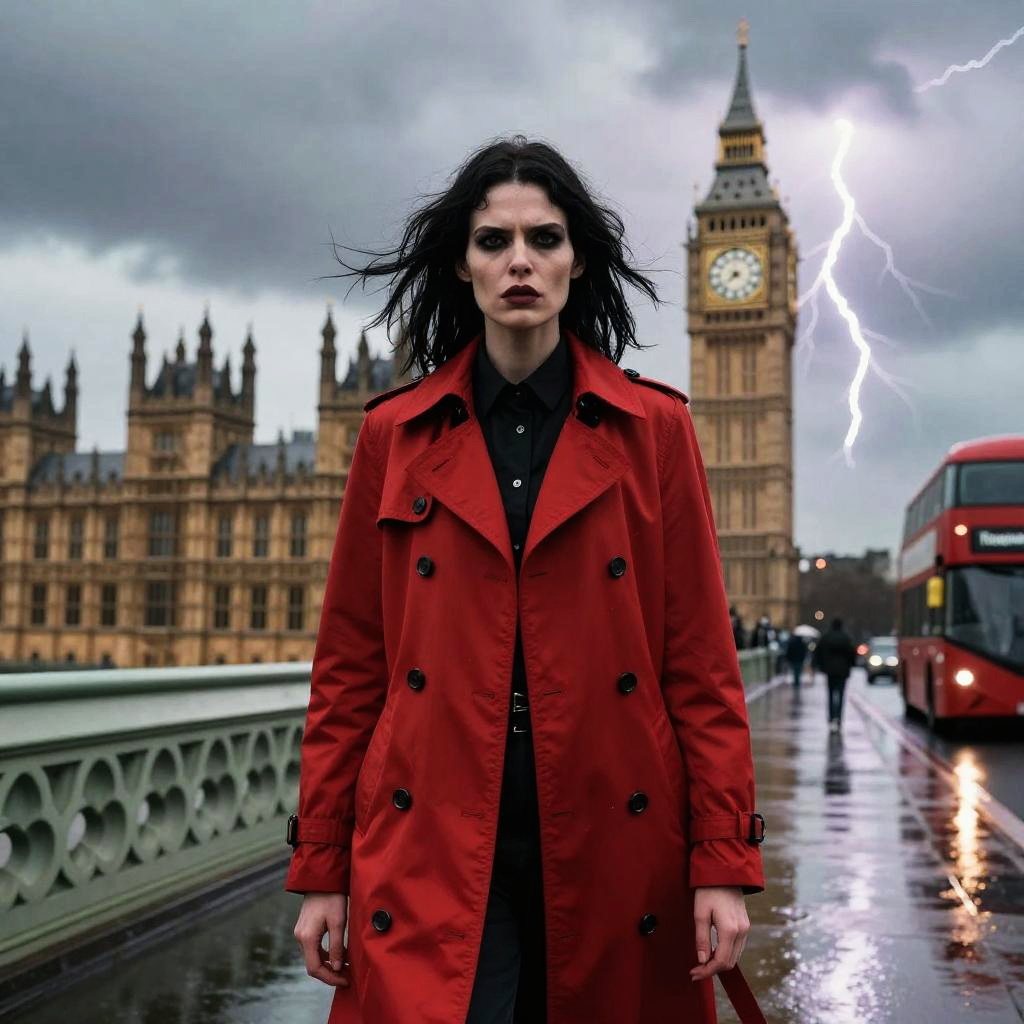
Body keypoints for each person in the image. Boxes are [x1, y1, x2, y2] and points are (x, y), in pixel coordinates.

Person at [285, 136, 766, 1024]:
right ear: (461, 264)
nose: (519, 262)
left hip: (609, 825)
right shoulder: (394, 435)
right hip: (431, 826)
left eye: (544, 240)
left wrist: (722, 862)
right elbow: (351, 670)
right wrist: (322, 866)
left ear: (577, 260)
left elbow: (700, 666)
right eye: (493, 241)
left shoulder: (653, 430)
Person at [814, 617, 857, 731]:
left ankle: (831, 716)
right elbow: (852, 654)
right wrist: (851, 665)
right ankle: (838, 717)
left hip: (829, 670)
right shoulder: (846, 638)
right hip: (843, 671)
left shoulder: (826, 638)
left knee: (830, 694)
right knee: (841, 695)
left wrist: (820, 666)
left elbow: (818, 653)